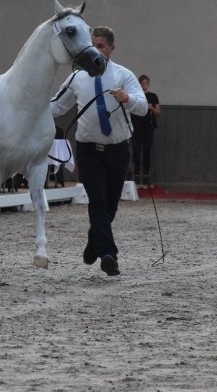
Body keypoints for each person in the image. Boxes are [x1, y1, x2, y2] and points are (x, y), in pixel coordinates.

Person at [51, 26, 147, 276]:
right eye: (93, 45)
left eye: (101, 46)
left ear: (112, 49)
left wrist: (128, 99)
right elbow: (56, 106)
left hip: (118, 150)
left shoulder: (124, 75)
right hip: (88, 150)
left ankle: (94, 242)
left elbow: (144, 107)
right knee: (98, 202)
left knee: (110, 205)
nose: (97, 50)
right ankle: (108, 254)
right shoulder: (76, 77)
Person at [130, 74, 160, 187]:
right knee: (137, 151)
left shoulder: (153, 96)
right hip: (137, 126)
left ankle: (146, 176)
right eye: (142, 83)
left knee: (147, 151)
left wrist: (151, 108)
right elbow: (129, 110)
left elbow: (158, 113)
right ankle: (137, 176)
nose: (144, 85)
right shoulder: (135, 96)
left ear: (148, 84)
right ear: (139, 84)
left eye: (146, 83)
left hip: (148, 127)